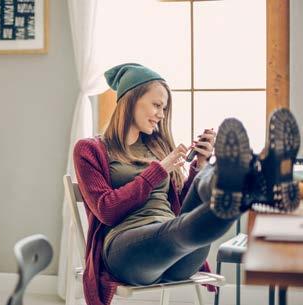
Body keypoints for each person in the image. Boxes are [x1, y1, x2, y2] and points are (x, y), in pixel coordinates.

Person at [73, 63, 301, 305]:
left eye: (164, 108)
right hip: (127, 252)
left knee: (202, 188)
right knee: (178, 230)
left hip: (179, 253)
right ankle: (249, 186)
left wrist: (199, 163)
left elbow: (181, 206)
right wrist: (158, 170)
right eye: (157, 105)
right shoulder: (90, 150)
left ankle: (249, 182)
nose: (161, 115)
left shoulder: (156, 146)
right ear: (130, 100)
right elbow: (107, 210)